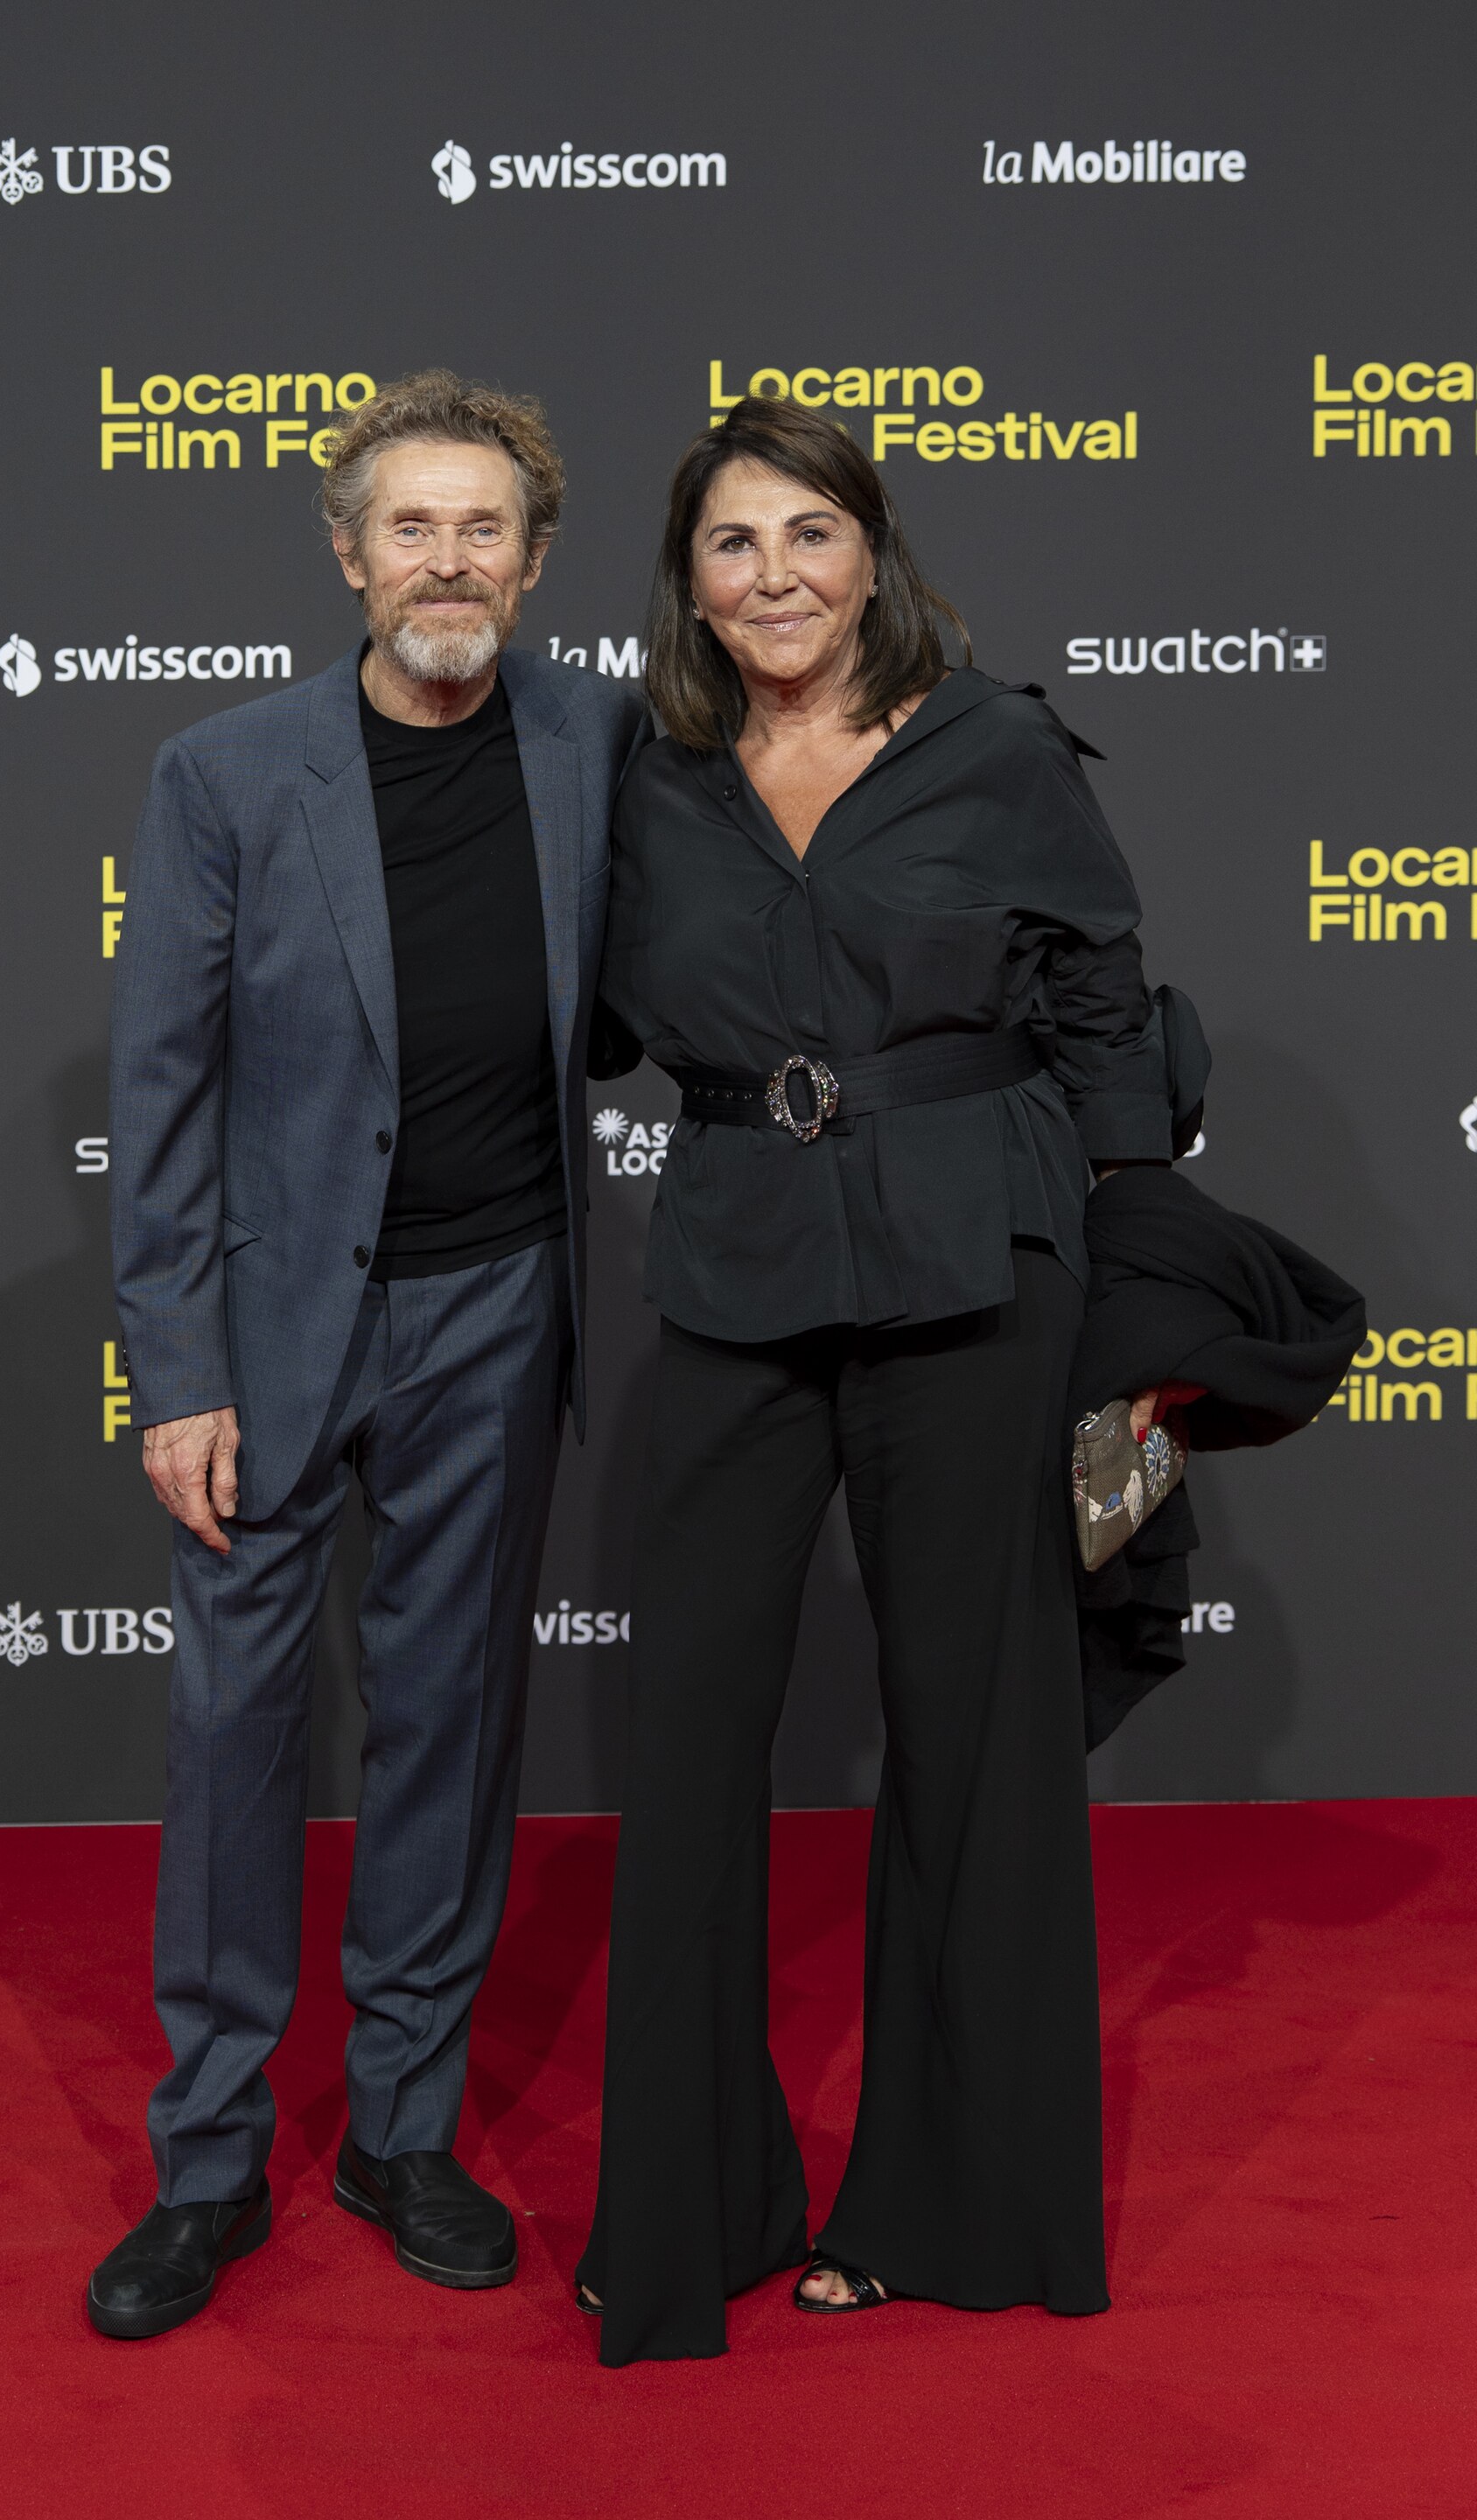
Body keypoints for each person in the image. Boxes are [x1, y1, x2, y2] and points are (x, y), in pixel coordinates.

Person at [576, 396, 1182, 2364]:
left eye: (812, 536)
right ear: (688, 578)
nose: (776, 580)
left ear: (875, 551)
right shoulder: (647, 774)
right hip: (742, 1259)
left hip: (976, 1266)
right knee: (681, 1746)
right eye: (735, 544)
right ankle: (688, 2210)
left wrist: (1128, 1314)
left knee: (977, 1735)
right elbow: (573, 1015)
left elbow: (1105, 1018)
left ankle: (958, 2206)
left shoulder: (1001, 746)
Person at [88, 371, 648, 2339]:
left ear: (536, 558)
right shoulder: (225, 774)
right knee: (238, 1735)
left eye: (484, 527)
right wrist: (177, 1367)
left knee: (448, 1727)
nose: (449, 560)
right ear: (346, 556)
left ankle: (400, 2124)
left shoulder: (599, 737)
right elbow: (162, 1090)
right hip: (268, 1321)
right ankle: (211, 2159)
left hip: (499, 1302)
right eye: (410, 526)